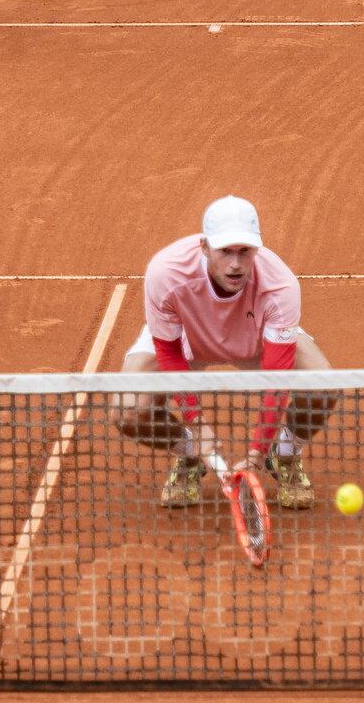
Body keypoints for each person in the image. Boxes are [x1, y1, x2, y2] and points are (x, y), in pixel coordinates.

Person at [113, 196, 337, 510]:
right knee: (128, 408)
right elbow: (169, 352)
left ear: (257, 249)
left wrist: (257, 454)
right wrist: (199, 430)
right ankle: (189, 454)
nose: (235, 264)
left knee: (323, 386)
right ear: (204, 247)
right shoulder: (166, 273)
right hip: (187, 341)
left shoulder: (279, 285)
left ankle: (283, 455)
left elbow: (276, 379)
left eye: (245, 252)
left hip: (256, 340)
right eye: (225, 252)